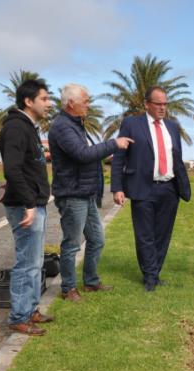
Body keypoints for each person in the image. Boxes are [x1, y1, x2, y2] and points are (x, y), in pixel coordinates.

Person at [48, 83, 132, 301]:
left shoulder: (75, 124)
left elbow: (87, 154)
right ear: (70, 104)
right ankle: (68, 288)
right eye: (85, 101)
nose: (88, 104)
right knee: (72, 244)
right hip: (72, 194)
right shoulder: (62, 127)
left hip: (85, 194)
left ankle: (91, 282)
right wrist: (114, 144)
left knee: (96, 239)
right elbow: (82, 154)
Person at [110, 87, 191, 292]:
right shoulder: (131, 124)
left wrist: (182, 187)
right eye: (158, 104)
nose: (162, 108)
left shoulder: (172, 127)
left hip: (169, 189)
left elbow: (177, 158)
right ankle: (150, 276)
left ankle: (155, 272)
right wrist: (117, 187)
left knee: (163, 235)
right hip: (142, 188)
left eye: (165, 104)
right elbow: (119, 158)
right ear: (147, 104)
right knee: (145, 234)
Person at [0, 78, 55, 335]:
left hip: (33, 202)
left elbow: (22, 167)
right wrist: (28, 203)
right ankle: (19, 316)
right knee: (26, 263)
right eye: (44, 98)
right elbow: (12, 168)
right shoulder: (16, 128)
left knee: (35, 261)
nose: (49, 103)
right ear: (28, 101)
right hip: (26, 206)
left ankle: (30, 309)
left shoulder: (28, 127)